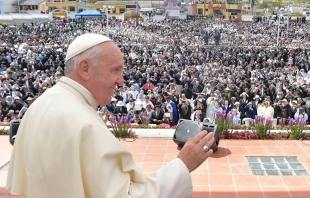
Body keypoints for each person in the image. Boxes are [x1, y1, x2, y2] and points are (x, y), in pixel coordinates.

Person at [6, 33, 215, 198]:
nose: (121, 81)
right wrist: (183, 164)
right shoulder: (83, 122)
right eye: (115, 70)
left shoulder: (41, 104)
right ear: (85, 68)